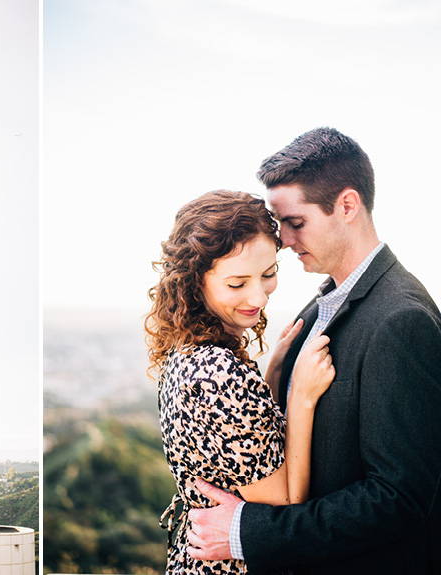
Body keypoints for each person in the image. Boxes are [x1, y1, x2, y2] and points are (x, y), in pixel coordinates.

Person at [186, 128, 441, 574]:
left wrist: (248, 532)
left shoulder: (402, 320)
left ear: (346, 205)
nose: (282, 239)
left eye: (295, 222)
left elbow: (398, 499)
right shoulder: (320, 305)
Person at [146, 189, 336, 574]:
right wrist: (300, 396)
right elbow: (284, 503)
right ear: (194, 282)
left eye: (268, 274)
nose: (258, 297)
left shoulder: (185, 350)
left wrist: (272, 375)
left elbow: (238, 448)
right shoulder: (217, 370)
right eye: (237, 284)